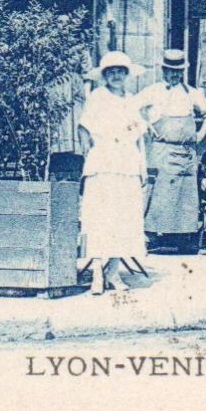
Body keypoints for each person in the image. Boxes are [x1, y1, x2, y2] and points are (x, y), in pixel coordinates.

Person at [77, 51, 150, 294]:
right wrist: (90, 154)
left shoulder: (132, 101)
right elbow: (84, 130)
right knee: (100, 216)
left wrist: (143, 167)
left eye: (121, 71)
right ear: (105, 75)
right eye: (111, 72)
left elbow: (139, 137)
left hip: (127, 164)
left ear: (127, 75)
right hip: (103, 163)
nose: (116, 76)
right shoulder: (97, 97)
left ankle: (113, 273)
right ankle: (97, 273)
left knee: (125, 218)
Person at [138, 49, 206, 246]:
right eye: (170, 70)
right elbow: (131, 108)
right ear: (163, 70)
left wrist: (199, 135)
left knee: (185, 196)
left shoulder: (191, 93)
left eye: (178, 71)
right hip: (161, 151)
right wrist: (145, 124)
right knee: (159, 193)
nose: (174, 74)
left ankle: (183, 235)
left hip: (186, 153)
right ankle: (152, 235)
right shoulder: (152, 91)